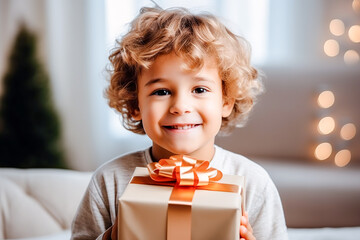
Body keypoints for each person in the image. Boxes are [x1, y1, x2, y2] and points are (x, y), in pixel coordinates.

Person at [71, 6, 288, 240]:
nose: (180, 106)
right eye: (162, 91)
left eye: (199, 89)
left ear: (226, 101)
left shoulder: (254, 183)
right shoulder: (110, 180)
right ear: (136, 104)